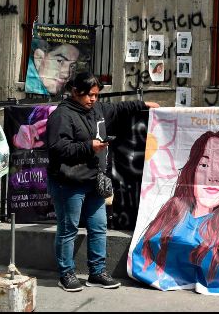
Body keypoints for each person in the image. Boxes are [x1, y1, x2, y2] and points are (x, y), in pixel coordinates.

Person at [47, 72, 158, 292]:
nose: (93, 99)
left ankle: (97, 272)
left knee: (98, 227)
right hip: (68, 182)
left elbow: (118, 109)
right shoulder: (62, 115)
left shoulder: (97, 109)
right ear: (76, 92)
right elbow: (57, 149)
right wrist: (89, 146)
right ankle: (66, 274)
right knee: (68, 229)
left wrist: (143, 103)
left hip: (93, 181)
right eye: (89, 95)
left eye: (96, 95)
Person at [131, 124, 219, 295]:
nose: (212, 177)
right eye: (204, 165)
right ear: (192, 170)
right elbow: (145, 253)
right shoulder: (173, 210)